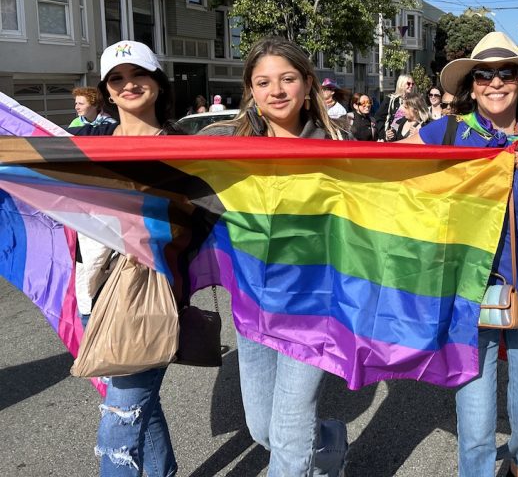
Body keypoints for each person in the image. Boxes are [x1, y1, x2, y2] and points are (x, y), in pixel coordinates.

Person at [404, 31, 518, 477]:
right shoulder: (446, 133)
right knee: (475, 428)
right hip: (466, 290)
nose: (495, 83)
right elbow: (381, 167)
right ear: (471, 86)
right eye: (483, 75)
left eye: (505, 73)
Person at [200, 38, 347, 476]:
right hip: (252, 307)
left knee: (286, 438)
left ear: (306, 85)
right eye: (263, 82)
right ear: (251, 90)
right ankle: (331, 443)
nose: (276, 90)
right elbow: (190, 202)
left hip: (313, 307)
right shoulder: (229, 148)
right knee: (263, 429)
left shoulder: (339, 149)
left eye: (287, 79)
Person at [71, 40, 181, 477]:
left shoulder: (180, 147)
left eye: (138, 75)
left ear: (157, 81)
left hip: (146, 291)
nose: (128, 84)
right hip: (91, 290)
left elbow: (197, 222)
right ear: (108, 91)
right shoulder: (86, 140)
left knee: (118, 422)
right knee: (136, 405)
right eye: (116, 79)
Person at [375, 74, 415, 140]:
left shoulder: (415, 101)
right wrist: (384, 133)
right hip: (392, 139)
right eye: (408, 83)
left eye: (412, 84)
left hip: (409, 137)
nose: (411, 86)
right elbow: (378, 118)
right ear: (401, 84)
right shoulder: (390, 100)